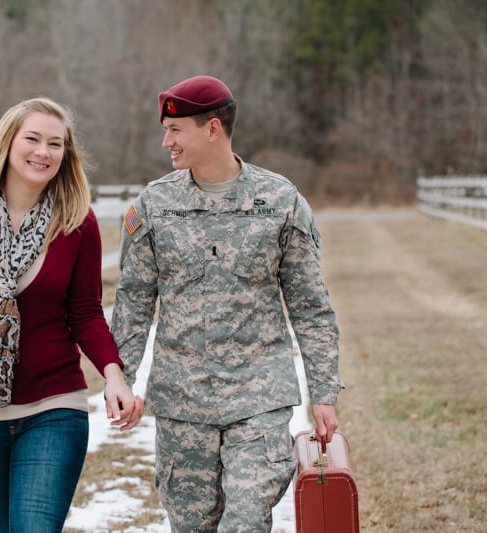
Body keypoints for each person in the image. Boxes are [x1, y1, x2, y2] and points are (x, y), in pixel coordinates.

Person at [111, 75, 344, 532]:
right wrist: (122, 376)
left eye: (175, 130)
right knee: (193, 526)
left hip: (259, 396)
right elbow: (135, 301)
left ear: (212, 128)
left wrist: (324, 393)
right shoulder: (155, 205)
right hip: (182, 402)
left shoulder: (279, 201)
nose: (166, 142)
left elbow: (311, 306)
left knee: (245, 521)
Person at [0, 96, 144, 533]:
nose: (43, 152)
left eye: (55, 144)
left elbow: (86, 311)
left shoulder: (77, 222)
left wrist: (113, 374)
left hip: (54, 405)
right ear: (7, 144)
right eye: (33, 139)